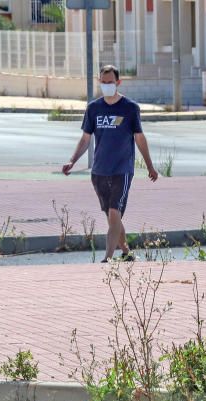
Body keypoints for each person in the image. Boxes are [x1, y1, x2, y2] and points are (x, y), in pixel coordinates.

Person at [62, 65, 159, 263]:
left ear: (118, 83)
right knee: (112, 216)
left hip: (122, 170)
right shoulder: (94, 108)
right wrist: (72, 160)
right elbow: (85, 139)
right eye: (103, 82)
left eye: (110, 82)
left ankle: (107, 258)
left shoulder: (130, 108)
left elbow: (139, 138)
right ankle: (126, 252)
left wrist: (150, 166)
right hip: (99, 171)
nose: (107, 86)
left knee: (115, 212)